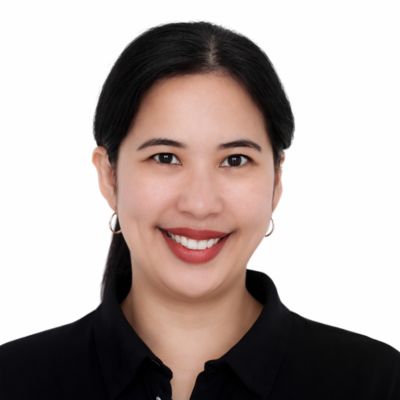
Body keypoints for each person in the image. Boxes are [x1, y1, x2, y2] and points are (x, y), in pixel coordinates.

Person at [0, 21, 399, 400]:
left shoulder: (373, 382)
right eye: (165, 157)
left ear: (276, 180)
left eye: (235, 160)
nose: (200, 204)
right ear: (109, 176)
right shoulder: (15, 380)